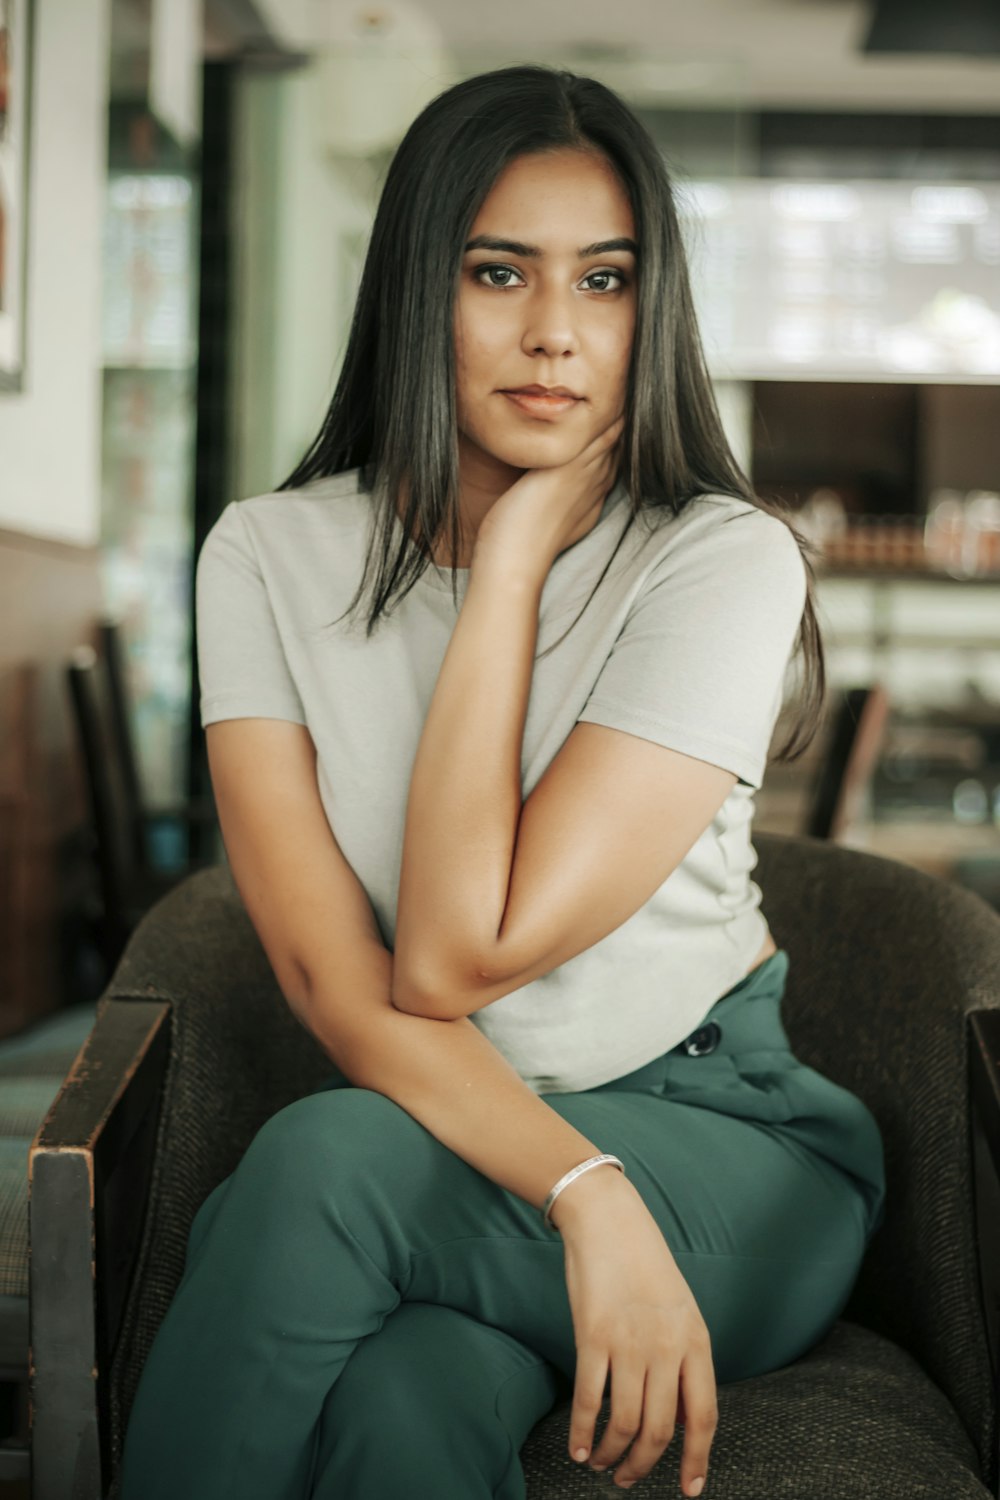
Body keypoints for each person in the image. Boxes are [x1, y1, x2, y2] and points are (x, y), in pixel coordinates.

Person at [117, 62, 886, 1500]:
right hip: (454, 1144)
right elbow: (345, 983)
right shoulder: (267, 558)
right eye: (497, 273)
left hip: (728, 1146)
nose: (554, 335)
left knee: (316, 1170)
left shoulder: (721, 560)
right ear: (419, 287)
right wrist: (576, 1187)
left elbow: (462, 947)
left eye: (606, 281)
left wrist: (511, 568)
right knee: (403, 1410)